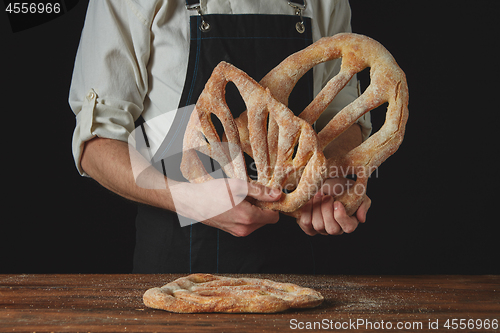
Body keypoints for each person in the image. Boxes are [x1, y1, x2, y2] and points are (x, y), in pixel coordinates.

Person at [69, 0, 372, 274]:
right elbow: (96, 145)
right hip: (177, 263)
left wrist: (333, 180)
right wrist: (187, 199)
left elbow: (343, 114)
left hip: (294, 265)